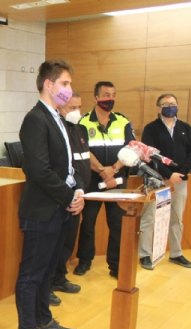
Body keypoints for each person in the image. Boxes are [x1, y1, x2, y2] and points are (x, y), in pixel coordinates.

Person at [15, 60, 84, 329]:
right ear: (48, 84)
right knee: (31, 274)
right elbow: (39, 171)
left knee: (46, 272)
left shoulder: (57, 117)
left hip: (59, 209)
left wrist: (77, 191)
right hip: (41, 210)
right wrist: (68, 196)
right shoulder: (35, 119)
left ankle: (44, 320)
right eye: (65, 83)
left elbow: (68, 165)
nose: (69, 89)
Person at [74, 81, 135, 278]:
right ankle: (84, 260)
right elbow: (83, 150)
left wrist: (114, 169)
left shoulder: (123, 121)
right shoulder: (83, 122)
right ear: (96, 97)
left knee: (117, 224)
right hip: (91, 180)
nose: (111, 99)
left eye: (114, 95)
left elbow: (131, 148)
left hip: (117, 181)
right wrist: (102, 170)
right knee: (88, 223)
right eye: (107, 95)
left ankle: (115, 266)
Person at [139, 94, 191, 270]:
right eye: (166, 104)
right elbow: (149, 156)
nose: (170, 106)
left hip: (179, 181)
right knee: (150, 217)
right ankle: (144, 254)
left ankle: (176, 254)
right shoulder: (151, 128)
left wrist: (180, 174)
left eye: (173, 103)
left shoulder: (185, 127)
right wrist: (167, 175)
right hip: (156, 180)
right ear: (159, 108)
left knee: (177, 218)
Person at [49, 92, 91, 303]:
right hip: (60, 196)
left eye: (79, 107)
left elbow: (79, 164)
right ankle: (47, 284)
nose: (77, 112)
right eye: (72, 108)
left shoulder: (80, 129)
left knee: (67, 242)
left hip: (78, 193)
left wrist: (80, 191)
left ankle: (59, 277)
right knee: (52, 245)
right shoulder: (58, 130)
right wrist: (69, 194)